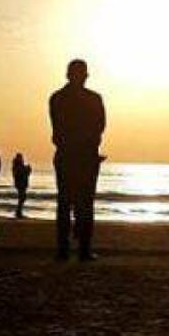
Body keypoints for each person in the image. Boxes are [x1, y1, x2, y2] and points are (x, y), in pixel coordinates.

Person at [50, 59, 107, 261]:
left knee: (67, 202)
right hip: (81, 155)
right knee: (81, 202)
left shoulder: (57, 98)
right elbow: (99, 126)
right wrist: (87, 144)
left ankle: (67, 249)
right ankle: (80, 249)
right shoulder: (92, 99)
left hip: (70, 154)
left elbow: (98, 126)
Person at [12, 152, 32, 219]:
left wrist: (27, 170)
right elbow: (21, 173)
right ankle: (18, 212)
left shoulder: (17, 166)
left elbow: (25, 173)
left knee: (22, 198)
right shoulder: (17, 166)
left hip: (21, 183)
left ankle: (19, 212)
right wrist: (27, 169)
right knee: (22, 198)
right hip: (21, 184)